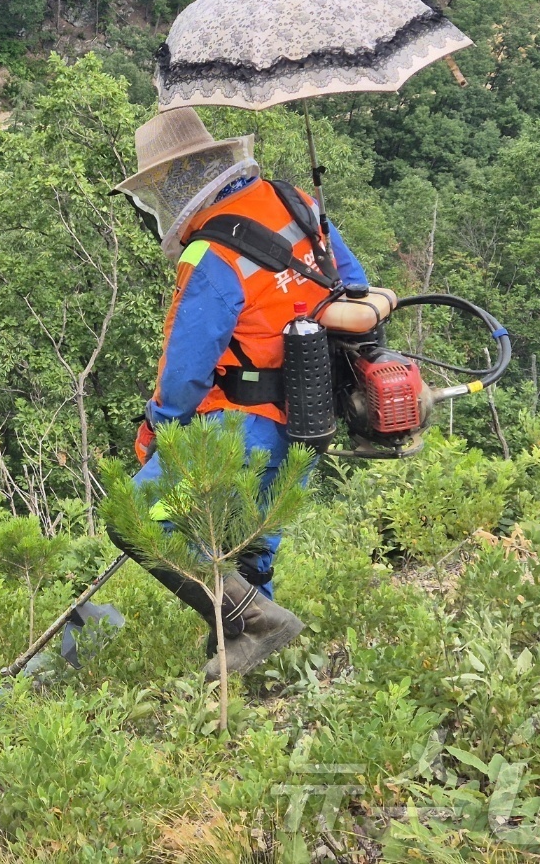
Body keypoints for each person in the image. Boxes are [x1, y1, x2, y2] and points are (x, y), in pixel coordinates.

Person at [109, 106, 372, 679]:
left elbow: (185, 376)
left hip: (241, 425)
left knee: (133, 517)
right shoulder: (295, 201)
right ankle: (257, 677)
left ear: (175, 181)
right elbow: (354, 286)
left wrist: (159, 432)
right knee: (250, 548)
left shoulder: (210, 254)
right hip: (309, 412)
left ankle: (259, 628)